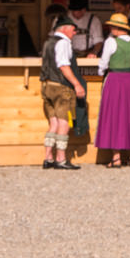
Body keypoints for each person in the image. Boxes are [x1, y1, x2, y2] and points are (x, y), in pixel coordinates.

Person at [94, 12, 130, 167]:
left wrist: (102, 72)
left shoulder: (110, 42)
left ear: (116, 28)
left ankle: (116, 157)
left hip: (115, 80)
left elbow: (103, 64)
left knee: (114, 116)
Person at [39, 12, 84, 170]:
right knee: (65, 122)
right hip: (61, 86)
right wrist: (77, 84)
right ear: (64, 28)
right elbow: (63, 66)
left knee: (53, 123)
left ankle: (48, 158)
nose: (75, 32)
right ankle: (61, 159)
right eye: (73, 29)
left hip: (46, 86)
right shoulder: (63, 43)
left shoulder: (48, 42)